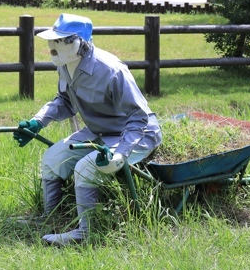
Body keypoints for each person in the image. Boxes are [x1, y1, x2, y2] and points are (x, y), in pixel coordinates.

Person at [13, 13, 161, 246]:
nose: (52, 47)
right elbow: (65, 101)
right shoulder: (65, 64)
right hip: (99, 130)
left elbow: (138, 117)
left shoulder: (111, 70)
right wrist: (37, 121)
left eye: (59, 41)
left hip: (134, 134)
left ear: (76, 43)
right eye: (53, 41)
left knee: (85, 169)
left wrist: (121, 152)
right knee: (53, 158)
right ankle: (51, 219)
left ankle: (86, 232)